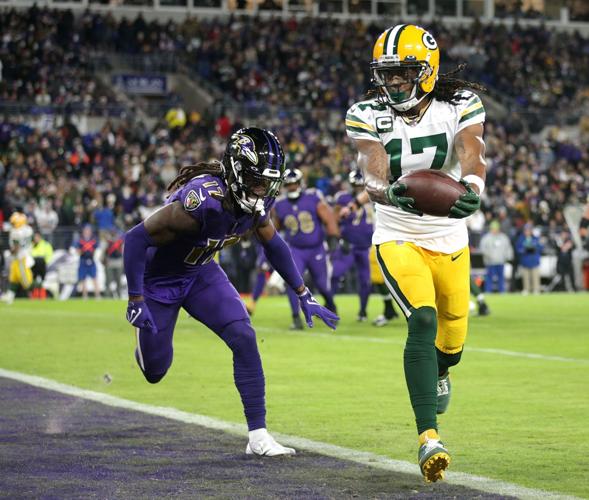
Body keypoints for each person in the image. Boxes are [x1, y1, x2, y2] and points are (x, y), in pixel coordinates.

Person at [123, 127, 338, 457]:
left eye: (268, 182)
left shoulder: (252, 204)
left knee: (243, 336)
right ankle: (145, 351)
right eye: (256, 180)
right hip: (160, 282)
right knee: (155, 371)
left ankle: (258, 435)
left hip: (200, 273)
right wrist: (136, 297)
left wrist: (302, 291)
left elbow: (275, 245)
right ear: (237, 172)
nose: (262, 189)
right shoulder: (201, 203)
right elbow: (136, 239)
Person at [346, 24, 487, 482]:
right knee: (421, 321)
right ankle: (429, 437)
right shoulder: (366, 112)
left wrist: (473, 185)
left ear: (427, 72)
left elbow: (472, 148)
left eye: (404, 72)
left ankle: (441, 370)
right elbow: (371, 165)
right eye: (387, 74)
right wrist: (386, 192)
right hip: (397, 234)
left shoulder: (459, 103)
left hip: (450, 239)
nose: (394, 83)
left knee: (452, 345)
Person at [272, 168, 339, 330]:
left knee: (322, 285)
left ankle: (331, 305)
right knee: (292, 282)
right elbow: (275, 228)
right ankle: (296, 317)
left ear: (300, 183)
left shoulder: (313, 196)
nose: (292, 187)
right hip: (296, 249)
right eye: (288, 184)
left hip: (316, 248)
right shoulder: (279, 204)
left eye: (294, 183)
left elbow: (328, 218)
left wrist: (333, 237)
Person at [331, 170, 374, 321]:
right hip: (348, 245)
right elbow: (333, 220)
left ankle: (363, 311)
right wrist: (339, 239)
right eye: (354, 185)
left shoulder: (374, 196)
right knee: (335, 275)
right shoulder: (343, 198)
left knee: (366, 281)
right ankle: (330, 305)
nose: (357, 188)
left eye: (360, 185)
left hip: (367, 246)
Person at [0, 212, 34, 304]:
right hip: (23, 256)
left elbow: (16, 247)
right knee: (13, 278)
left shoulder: (17, 232)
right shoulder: (28, 229)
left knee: (26, 282)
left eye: (14, 223)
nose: (12, 224)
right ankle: (10, 297)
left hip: (20, 257)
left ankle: (41, 289)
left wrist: (9, 252)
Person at [479, 220, 513, 293]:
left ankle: (502, 291)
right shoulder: (486, 238)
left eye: (496, 228)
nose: (494, 230)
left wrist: (508, 257)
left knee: (501, 278)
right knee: (489, 278)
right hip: (490, 262)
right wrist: (489, 256)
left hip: (500, 261)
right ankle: (488, 291)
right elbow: (482, 248)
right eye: (493, 228)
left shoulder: (504, 237)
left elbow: (508, 247)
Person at [516, 224, 543, 295]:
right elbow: (518, 249)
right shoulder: (521, 239)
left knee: (535, 277)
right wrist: (525, 250)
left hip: (534, 261)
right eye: (526, 230)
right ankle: (526, 289)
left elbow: (540, 248)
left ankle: (536, 290)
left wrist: (534, 249)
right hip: (525, 261)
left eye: (529, 230)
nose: (527, 232)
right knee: (526, 278)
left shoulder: (535, 238)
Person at [76, 225, 100, 299]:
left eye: (88, 230)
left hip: (91, 260)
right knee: (83, 279)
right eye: (86, 230)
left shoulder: (94, 240)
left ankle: (97, 295)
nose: (87, 232)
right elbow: (77, 250)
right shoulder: (80, 240)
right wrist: (80, 252)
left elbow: (98, 248)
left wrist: (95, 254)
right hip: (83, 260)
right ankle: (84, 295)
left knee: (94, 278)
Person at [31, 230, 54, 299]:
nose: (36, 238)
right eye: (35, 237)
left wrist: (46, 262)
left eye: (37, 237)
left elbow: (50, 255)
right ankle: (34, 295)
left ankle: (42, 295)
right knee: (34, 279)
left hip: (43, 265)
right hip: (33, 265)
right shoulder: (31, 245)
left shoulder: (46, 245)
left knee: (42, 280)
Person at [103, 228, 125, 298]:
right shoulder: (107, 241)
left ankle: (118, 294)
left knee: (118, 280)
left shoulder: (120, 241)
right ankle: (108, 295)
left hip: (118, 261)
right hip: (110, 261)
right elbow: (104, 251)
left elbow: (123, 251)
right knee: (108, 280)